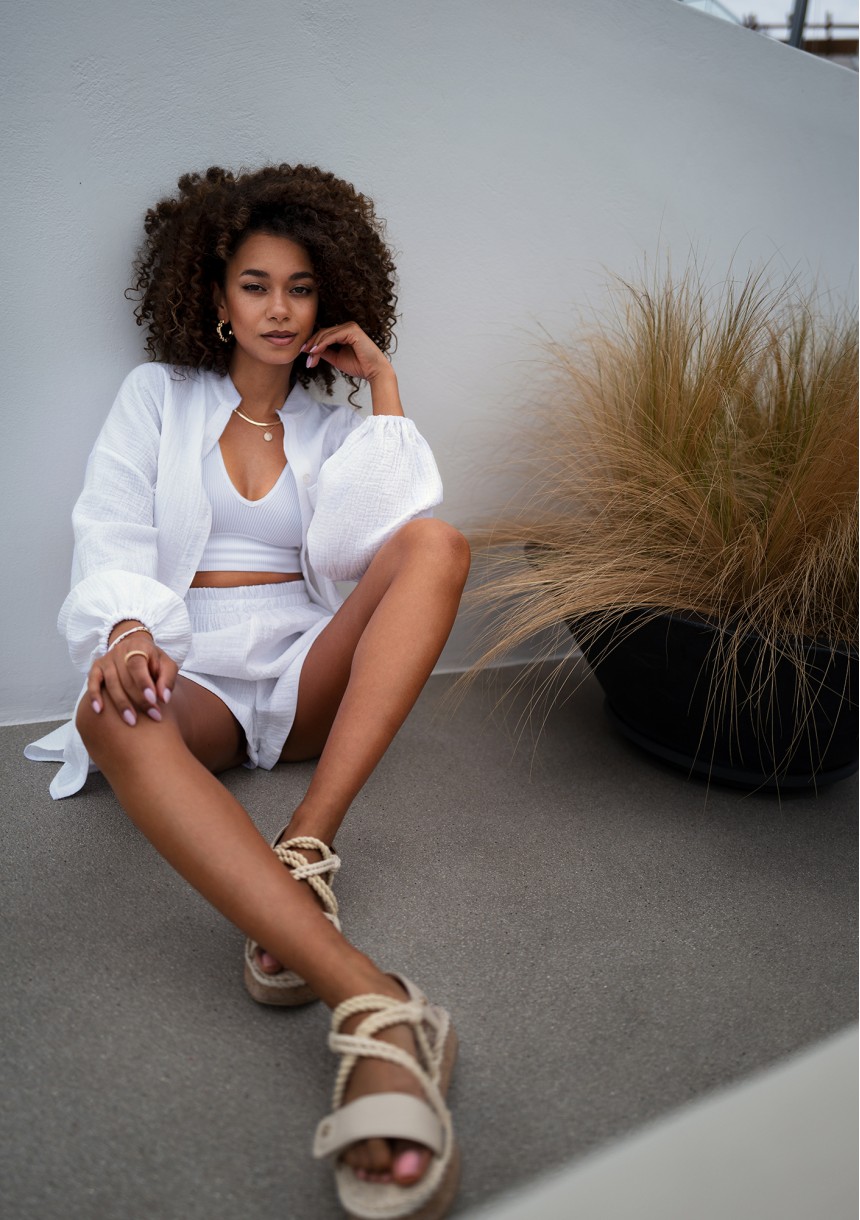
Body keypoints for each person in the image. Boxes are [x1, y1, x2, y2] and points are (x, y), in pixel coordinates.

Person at [26, 164, 470, 1220]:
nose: (280, 308)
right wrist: (131, 629)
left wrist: (382, 388)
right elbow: (110, 522)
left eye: (301, 288)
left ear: (330, 300)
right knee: (106, 710)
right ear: (216, 294)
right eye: (257, 284)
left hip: (308, 658)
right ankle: (372, 998)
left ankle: (306, 839)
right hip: (196, 667)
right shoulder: (158, 396)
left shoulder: (329, 427)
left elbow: (378, 546)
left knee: (437, 544)